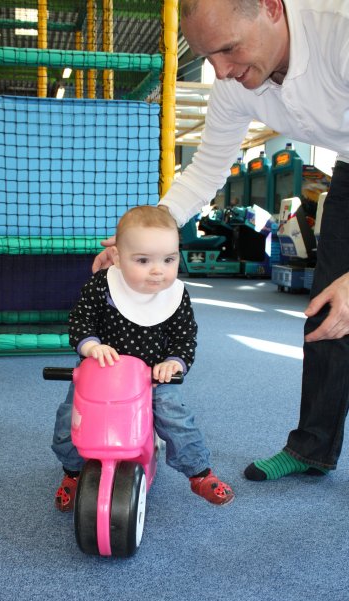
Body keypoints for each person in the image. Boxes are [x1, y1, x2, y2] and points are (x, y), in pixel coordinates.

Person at [94, 0, 349, 483]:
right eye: (207, 57)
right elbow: (205, 170)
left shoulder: (340, 31)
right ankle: (314, 447)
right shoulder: (234, 82)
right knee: (328, 312)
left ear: (271, 8)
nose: (221, 70)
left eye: (228, 49)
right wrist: (140, 240)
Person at [51, 205, 234, 511]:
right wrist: (91, 346)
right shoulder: (102, 285)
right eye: (143, 260)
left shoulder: (176, 295)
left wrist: (173, 362)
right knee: (69, 420)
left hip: (152, 376)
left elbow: (184, 337)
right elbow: (81, 320)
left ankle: (199, 473)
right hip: (100, 372)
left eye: (169, 259)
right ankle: (72, 472)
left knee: (175, 416)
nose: (158, 270)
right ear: (118, 257)